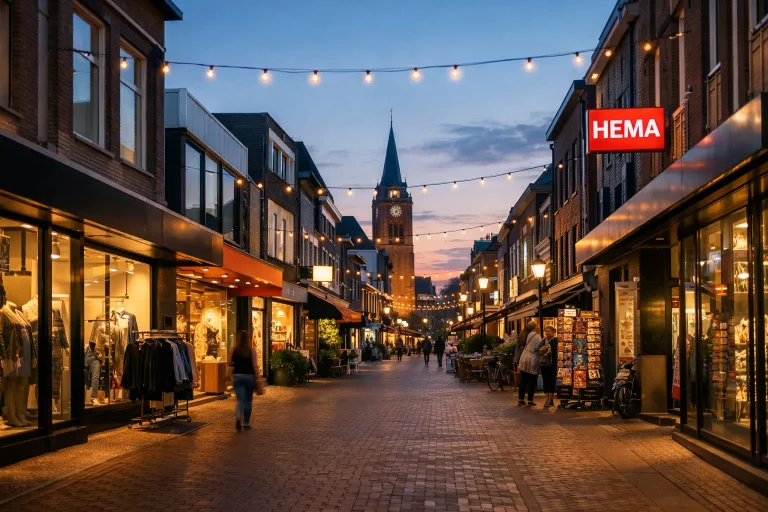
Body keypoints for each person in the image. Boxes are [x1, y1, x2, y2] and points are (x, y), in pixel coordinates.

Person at [229, 330, 263, 431]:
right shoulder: (251, 351)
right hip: (249, 377)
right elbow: (255, 366)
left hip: (237, 377)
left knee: (240, 400)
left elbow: (230, 363)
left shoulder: (233, 349)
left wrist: (228, 375)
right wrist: (258, 378)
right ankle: (246, 423)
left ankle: (238, 417)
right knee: (248, 400)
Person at [517, 321, 544, 406]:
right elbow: (538, 348)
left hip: (524, 357)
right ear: (535, 327)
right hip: (532, 359)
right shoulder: (538, 337)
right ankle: (530, 400)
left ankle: (521, 398)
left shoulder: (529, 334)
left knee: (523, 380)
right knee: (532, 380)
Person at [539, 326, 558, 407]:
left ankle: (551, 399)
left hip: (553, 363)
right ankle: (547, 400)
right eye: (546, 331)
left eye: (549, 331)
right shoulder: (543, 341)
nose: (547, 333)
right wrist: (541, 350)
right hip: (544, 364)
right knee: (545, 381)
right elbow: (538, 350)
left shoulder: (556, 341)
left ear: (554, 331)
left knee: (551, 381)